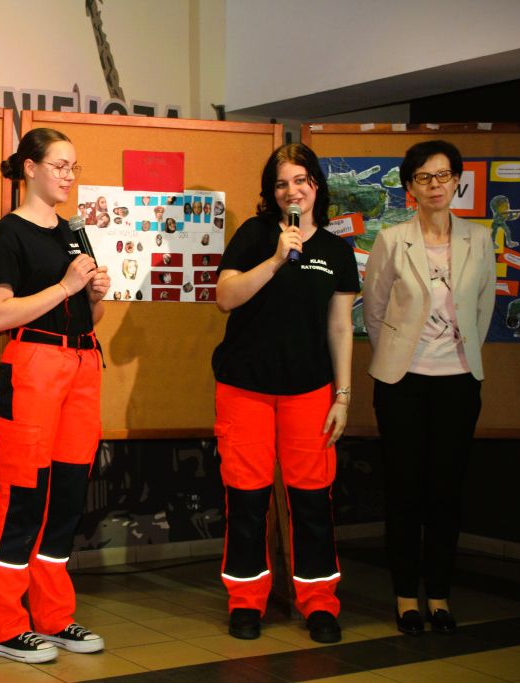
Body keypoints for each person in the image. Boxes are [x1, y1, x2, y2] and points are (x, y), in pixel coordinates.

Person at [212, 142, 357, 644]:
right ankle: (246, 599)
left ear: (316, 184)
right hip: (245, 388)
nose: (291, 191)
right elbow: (225, 297)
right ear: (270, 192)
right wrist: (276, 259)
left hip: (310, 392)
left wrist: (343, 395)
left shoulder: (337, 251)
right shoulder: (255, 235)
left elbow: (340, 327)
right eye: (280, 183)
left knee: (312, 500)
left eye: (299, 180)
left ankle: (318, 601)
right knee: (246, 498)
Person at [0, 127, 110, 664]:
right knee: (23, 493)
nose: (68, 176)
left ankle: (53, 615)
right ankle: (5, 624)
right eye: (59, 165)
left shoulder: (73, 233)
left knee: (68, 494)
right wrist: (65, 286)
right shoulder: (6, 234)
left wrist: (94, 295)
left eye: (74, 167)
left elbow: (86, 315)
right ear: (29, 168)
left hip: (82, 361)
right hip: (34, 363)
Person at [363, 139, 495, 637]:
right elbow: (375, 310)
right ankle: (405, 596)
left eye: (443, 175)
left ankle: (438, 594)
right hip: (402, 383)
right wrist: (399, 354)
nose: (435, 185)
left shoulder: (480, 238)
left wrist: (460, 353)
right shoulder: (391, 239)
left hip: (459, 382)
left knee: (446, 492)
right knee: (404, 490)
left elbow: (483, 306)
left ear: (457, 180)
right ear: (410, 187)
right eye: (423, 177)